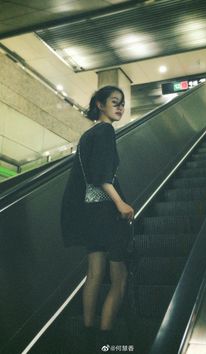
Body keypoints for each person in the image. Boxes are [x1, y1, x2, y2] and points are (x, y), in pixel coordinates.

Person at [61, 86, 134, 352]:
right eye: (114, 102)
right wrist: (121, 203)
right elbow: (101, 175)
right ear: (99, 105)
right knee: (119, 276)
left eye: (122, 103)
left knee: (94, 274)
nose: (120, 107)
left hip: (88, 213)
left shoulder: (87, 135)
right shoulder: (104, 131)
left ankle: (88, 332)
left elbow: (89, 175)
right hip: (106, 211)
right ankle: (106, 339)